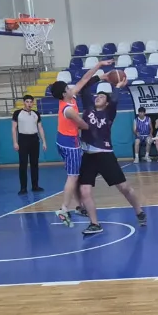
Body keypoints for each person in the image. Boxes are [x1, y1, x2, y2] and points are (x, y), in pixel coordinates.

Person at [75, 74, 147, 236]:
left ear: (107, 103)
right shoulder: (88, 108)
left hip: (105, 155)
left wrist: (117, 86)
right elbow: (84, 88)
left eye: (102, 97)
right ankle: (94, 223)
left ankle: (139, 211)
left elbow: (114, 98)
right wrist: (99, 78)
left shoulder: (109, 112)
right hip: (88, 156)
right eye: (97, 95)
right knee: (84, 190)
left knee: (124, 188)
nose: (98, 97)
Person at [49, 59, 107, 227]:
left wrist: (99, 66)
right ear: (63, 94)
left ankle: (78, 206)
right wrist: (96, 125)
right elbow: (83, 124)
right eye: (67, 88)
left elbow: (84, 79)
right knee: (73, 176)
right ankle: (63, 208)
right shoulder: (67, 110)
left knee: (74, 175)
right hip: (70, 143)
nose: (71, 88)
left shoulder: (70, 97)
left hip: (61, 140)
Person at [12, 94, 47, 194]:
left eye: (31, 102)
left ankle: (35, 185)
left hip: (34, 139)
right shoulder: (17, 113)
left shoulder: (36, 114)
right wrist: (15, 142)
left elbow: (40, 128)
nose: (29, 104)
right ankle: (23, 188)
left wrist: (44, 141)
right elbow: (14, 128)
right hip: (23, 139)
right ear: (24, 102)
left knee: (34, 163)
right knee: (23, 164)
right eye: (27, 102)